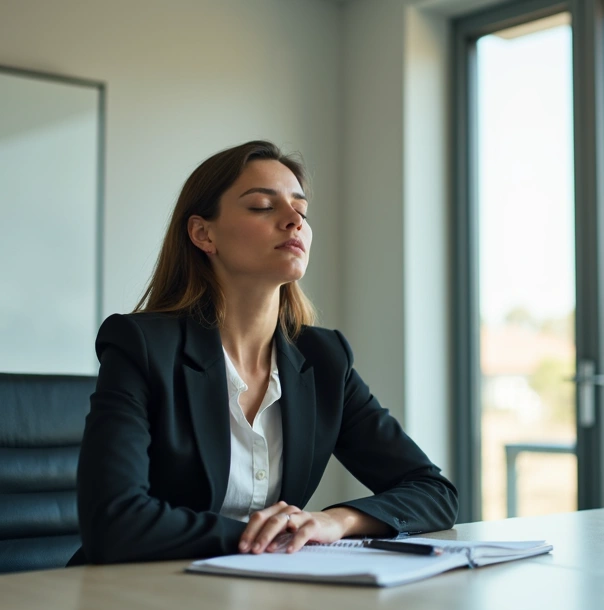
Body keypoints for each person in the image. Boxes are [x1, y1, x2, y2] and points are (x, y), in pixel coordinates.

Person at [70, 140, 457, 565]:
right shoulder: (141, 347)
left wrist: (336, 522)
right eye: (261, 206)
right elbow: (114, 521)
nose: (294, 221)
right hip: (137, 599)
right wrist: (265, 540)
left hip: (263, 595)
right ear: (203, 233)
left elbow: (432, 492)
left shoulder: (325, 358)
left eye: (302, 211)